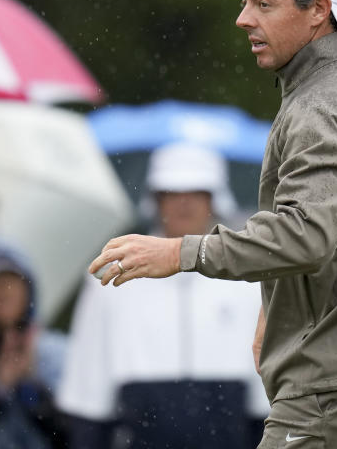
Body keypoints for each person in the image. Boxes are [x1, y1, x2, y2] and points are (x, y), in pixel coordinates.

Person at [90, 0, 337, 448]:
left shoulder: (320, 103)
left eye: (264, 3)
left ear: (318, 10)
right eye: (244, 3)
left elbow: (306, 235)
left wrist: (180, 251)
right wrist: (276, 306)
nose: (243, 20)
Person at [59, 142, 267, 448]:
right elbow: (87, 388)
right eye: (172, 192)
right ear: (155, 199)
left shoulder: (247, 276)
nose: (184, 203)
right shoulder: (114, 273)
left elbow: (265, 397)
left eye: (196, 192)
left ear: (214, 197)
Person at [0, 245, 68, 449]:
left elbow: (74, 432)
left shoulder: (54, 352)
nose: (4, 292)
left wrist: (32, 387)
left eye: (12, 282)